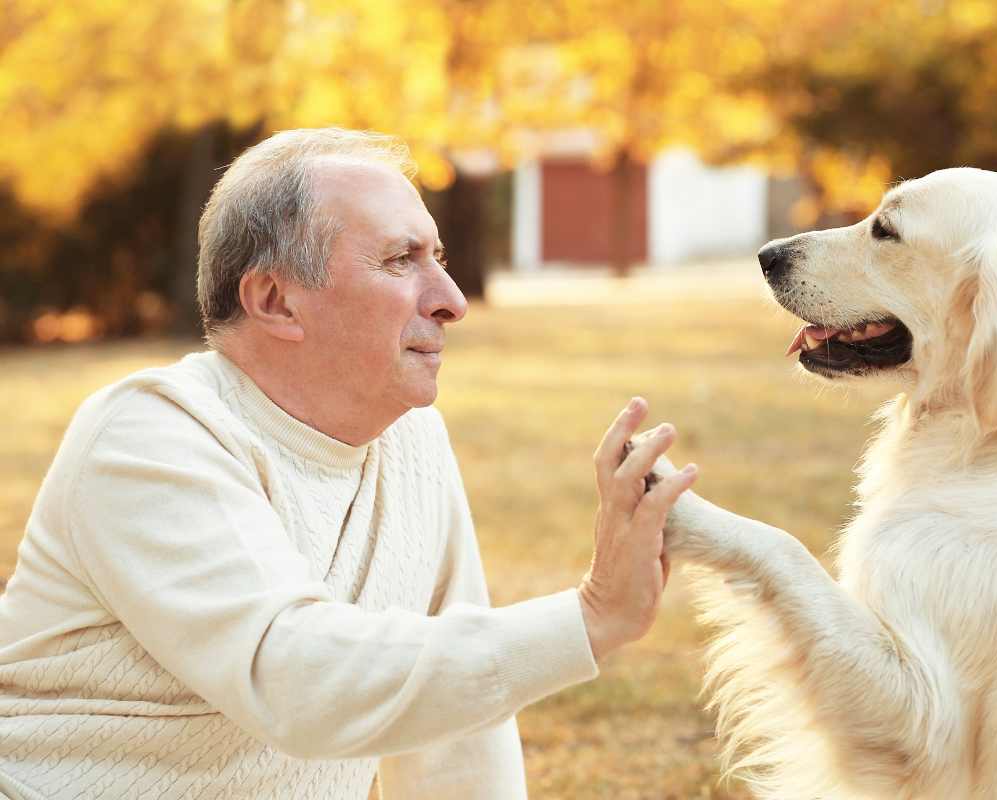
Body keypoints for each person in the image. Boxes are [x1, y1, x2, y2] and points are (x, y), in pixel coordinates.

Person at [0, 128, 697, 800]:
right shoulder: (149, 435)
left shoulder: (412, 438)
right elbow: (299, 681)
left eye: (439, 257)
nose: (451, 300)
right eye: (401, 261)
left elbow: (456, 739)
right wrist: (591, 616)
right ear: (275, 301)